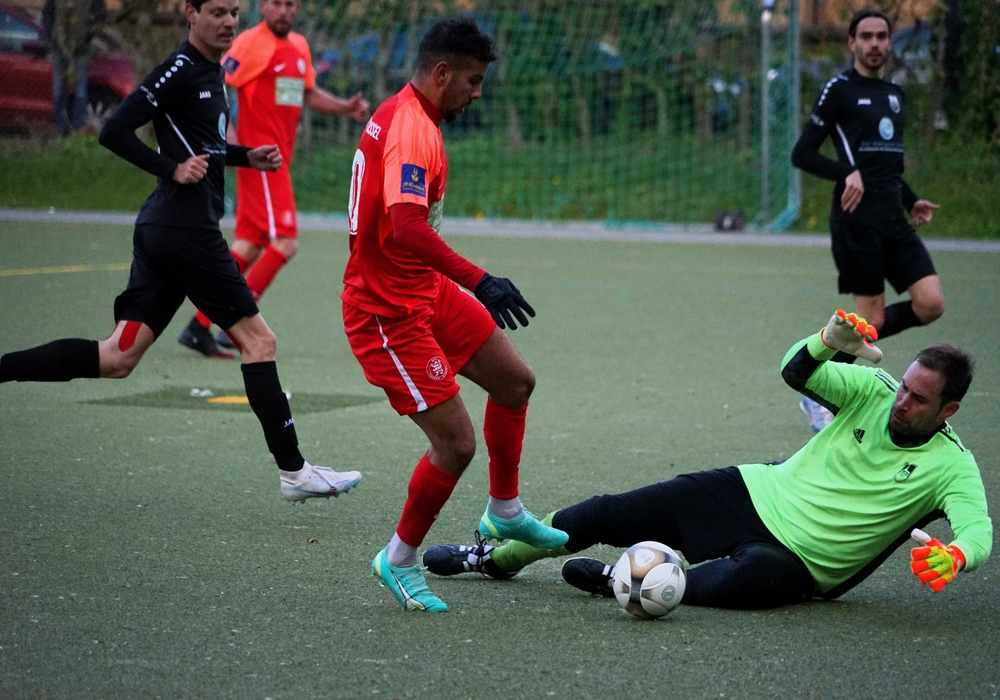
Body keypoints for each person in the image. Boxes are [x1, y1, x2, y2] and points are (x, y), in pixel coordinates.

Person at [0, 0, 361, 505]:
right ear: (190, 13)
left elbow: (205, 145)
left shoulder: (212, 71)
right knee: (260, 342)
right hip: (184, 229)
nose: (229, 21)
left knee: (118, 356)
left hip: (165, 229)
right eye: (217, 12)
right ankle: (295, 472)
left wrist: (246, 157)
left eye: (234, 12)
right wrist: (170, 169)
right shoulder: (180, 69)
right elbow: (113, 130)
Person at [423, 310, 991, 610]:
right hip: (753, 491)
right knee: (605, 512)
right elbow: (797, 372)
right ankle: (495, 560)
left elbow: (978, 531)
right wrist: (825, 340)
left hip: (801, 563)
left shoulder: (952, 466)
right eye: (904, 387)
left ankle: (622, 580)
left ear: (950, 409)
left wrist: (958, 555)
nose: (902, 401)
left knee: (739, 584)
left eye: (919, 399)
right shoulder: (874, 389)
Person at [342, 15, 567, 613]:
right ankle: (398, 559)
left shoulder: (410, 115)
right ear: (441, 73)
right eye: (472, 81)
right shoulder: (412, 127)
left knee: (515, 382)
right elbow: (407, 227)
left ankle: (505, 512)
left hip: (425, 291)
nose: (477, 93)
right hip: (386, 312)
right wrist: (481, 280)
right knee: (456, 445)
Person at [178, 0, 371, 358]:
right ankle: (236, 324)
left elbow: (308, 92)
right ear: (264, 7)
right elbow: (216, 83)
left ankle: (198, 327)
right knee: (285, 242)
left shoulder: (298, 46)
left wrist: (344, 107)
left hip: (276, 163)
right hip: (261, 162)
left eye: (290, 4)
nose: (284, 10)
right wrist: (227, 141)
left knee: (249, 245)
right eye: (277, 3)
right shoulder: (250, 43)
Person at [791, 8, 945, 432]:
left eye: (881, 36)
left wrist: (911, 201)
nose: (874, 43)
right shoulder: (839, 90)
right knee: (871, 319)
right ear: (852, 43)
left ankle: (831, 372)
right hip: (856, 221)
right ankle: (817, 392)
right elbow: (802, 153)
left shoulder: (895, 93)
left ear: (890, 42)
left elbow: (886, 164)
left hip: (893, 218)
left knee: (931, 304)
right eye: (866, 36)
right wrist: (846, 172)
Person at [42, 0, 108, 136]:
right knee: (59, 90)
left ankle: (78, 128)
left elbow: (101, 17)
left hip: (81, 50)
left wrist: (90, 37)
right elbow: (47, 14)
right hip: (59, 49)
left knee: (80, 91)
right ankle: (60, 128)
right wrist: (50, 37)